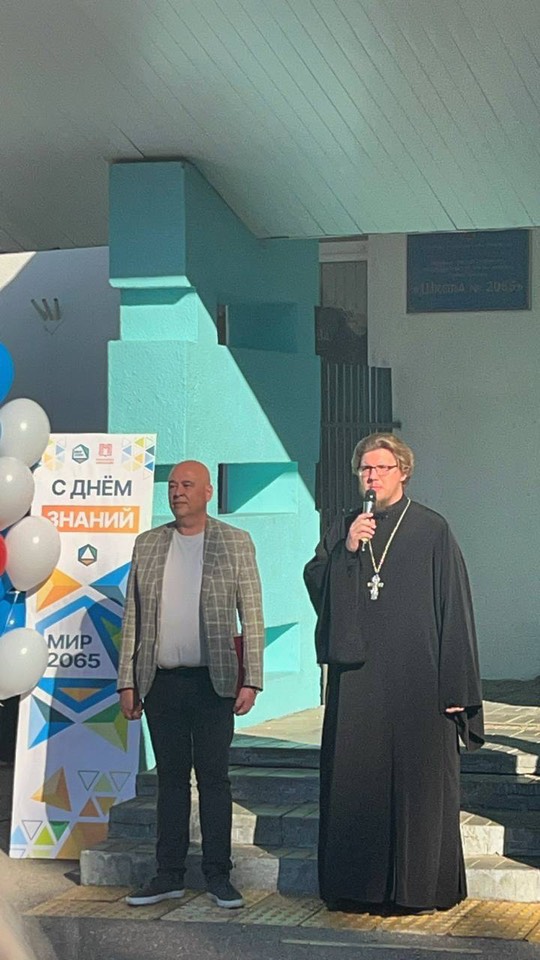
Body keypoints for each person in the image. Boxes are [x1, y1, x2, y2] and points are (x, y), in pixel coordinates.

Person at [304, 433, 483, 914]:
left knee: (416, 784)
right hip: (359, 681)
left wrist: (458, 685)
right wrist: (346, 551)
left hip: (418, 678)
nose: (372, 477)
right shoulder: (346, 528)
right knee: (356, 781)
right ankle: (355, 887)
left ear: (403, 472)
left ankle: (418, 888)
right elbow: (317, 583)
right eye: (365, 469)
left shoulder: (432, 529)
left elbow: (454, 608)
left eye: (382, 468)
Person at [119, 460, 264, 910]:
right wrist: (127, 681)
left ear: (207, 493)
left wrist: (251, 678)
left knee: (214, 780)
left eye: (187, 484)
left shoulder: (235, 542)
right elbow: (133, 617)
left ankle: (219, 875)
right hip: (161, 682)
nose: (177, 491)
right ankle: (169, 874)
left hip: (213, 683)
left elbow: (252, 614)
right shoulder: (148, 544)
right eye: (172, 485)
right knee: (170, 781)